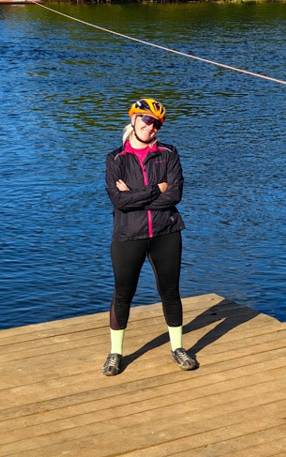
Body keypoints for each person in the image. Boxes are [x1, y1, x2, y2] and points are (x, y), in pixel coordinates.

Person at [102, 97, 198, 376]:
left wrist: (136, 195)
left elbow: (175, 195)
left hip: (166, 232)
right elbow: (119, 202)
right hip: (128, 234)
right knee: (123, 294)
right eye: (147, 120)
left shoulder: (169, 153)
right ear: (133, 120)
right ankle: (116, 353)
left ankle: (178, 348)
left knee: (170, 291)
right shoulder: (115, 158)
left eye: (157, 124)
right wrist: (156, 188)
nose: (152, 127)